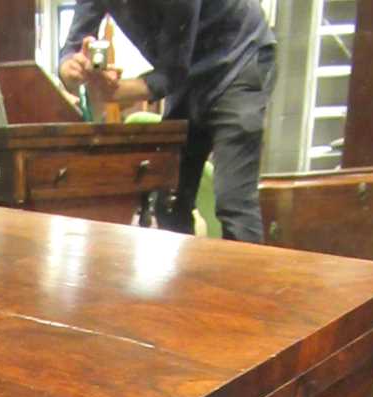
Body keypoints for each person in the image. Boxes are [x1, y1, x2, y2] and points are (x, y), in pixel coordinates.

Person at [59, 1, 276, 243]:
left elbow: (172, 73)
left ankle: (244, 281)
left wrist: (117, 92)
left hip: (239, 57)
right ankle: (186, 278)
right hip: (187, 69)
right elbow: (73, 47)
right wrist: (70, 68)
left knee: (233, 203)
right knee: (169, 200)